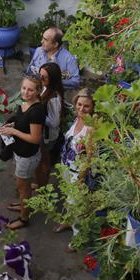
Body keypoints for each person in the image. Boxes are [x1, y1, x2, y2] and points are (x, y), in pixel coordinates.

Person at [0, 76, 46, 230]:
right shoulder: (24, 104)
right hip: (20, 152)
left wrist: (13, 131)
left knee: (23, 187)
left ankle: (24, 218)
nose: (26, 92)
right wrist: (10, 126)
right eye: (24, 88)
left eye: (31, 90)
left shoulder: (37, 111)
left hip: (27, 156)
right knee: (21, 186)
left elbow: (35, 138)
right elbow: (22, 122)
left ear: (38, 92)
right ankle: (24, 204)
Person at [54, 88, 95, 234]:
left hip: (78, 173)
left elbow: (90, 156)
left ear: (92, 108)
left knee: (77, 204)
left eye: (86, 106)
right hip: (67, 167)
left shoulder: (90, 128)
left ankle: (77, 236)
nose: (81, 108)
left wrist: (81, 178)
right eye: (79, 104)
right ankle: (67, 221)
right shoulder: (77, 119)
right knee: (68, 198)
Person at [35, 62, 64, 186]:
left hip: (48, 136)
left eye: (44, 77)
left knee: (44, 162)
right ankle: (39, 182)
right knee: (41, 160)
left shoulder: (53, 98)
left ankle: (43, 186)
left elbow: (55, 122)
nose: (40, 79)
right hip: (43, 133)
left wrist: (38, 113)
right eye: (40, 75)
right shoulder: (46, 88)